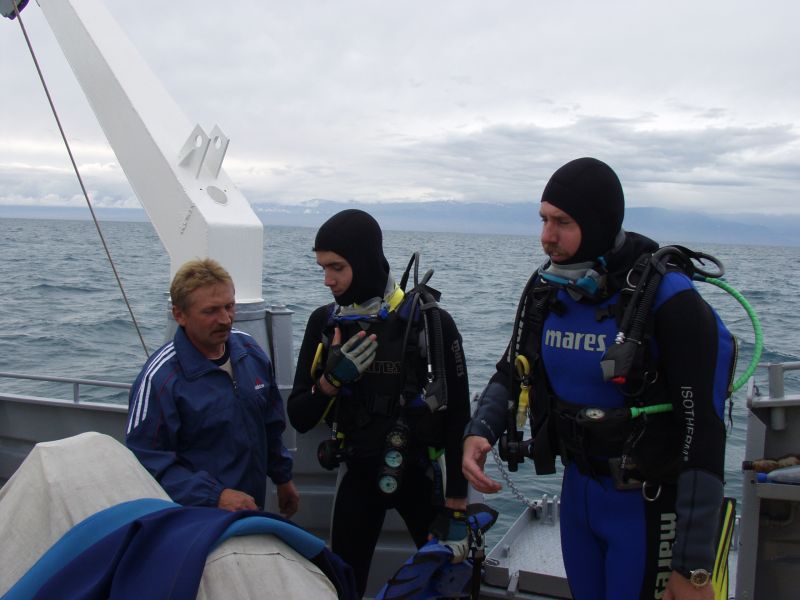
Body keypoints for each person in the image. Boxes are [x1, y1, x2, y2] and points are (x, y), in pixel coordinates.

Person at [462, 158, 736, 600]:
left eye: (562, 222)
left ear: (597, 222)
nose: (547, 236)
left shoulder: (669, 299)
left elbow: (703, 430)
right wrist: (481, 429)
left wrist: (694, 565)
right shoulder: (547, 289)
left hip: (645, 506)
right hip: (578, 494)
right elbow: (514, 368)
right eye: (543, 219)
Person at [288, 209, 471, 597]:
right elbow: (299, 416)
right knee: (345, 587)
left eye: (337, 267)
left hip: (420, 474)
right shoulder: (325, 324)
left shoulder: (430, 323)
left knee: (448, 585)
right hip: (358, 474)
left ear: (365, 260)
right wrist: (331, 381)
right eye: (322, 268)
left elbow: (458, 417)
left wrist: (457, 505)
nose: (327, 280)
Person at [126, 258, 299, 516]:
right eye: (211, 311)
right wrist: (214, 496)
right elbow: (144, 460)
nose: (225, 319)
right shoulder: (160, 379)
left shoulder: (250, 353)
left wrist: (283, 478)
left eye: (229, 306)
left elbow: (270, 424)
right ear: (179, 315)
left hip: (250, 509)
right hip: (194, 518)